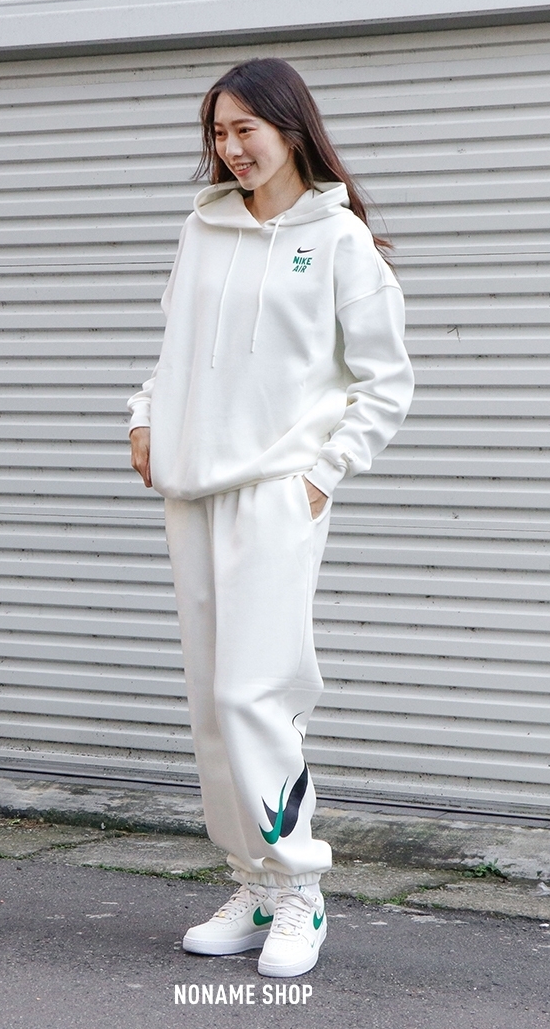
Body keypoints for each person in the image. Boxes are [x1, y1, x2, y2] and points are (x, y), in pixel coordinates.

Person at [127, 57, 414, 978]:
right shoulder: (203, 228)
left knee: (256, 693)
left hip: (276, 492)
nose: (230, 149)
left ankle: (300, 892)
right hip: (192, 491)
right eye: (218, 133)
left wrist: (321, 477)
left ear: (290, 129)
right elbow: (173, 344)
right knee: (213, 701)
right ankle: (251, 882)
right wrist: (143, 416)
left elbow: (386, 381)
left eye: (245, 130)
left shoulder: (338, 241)